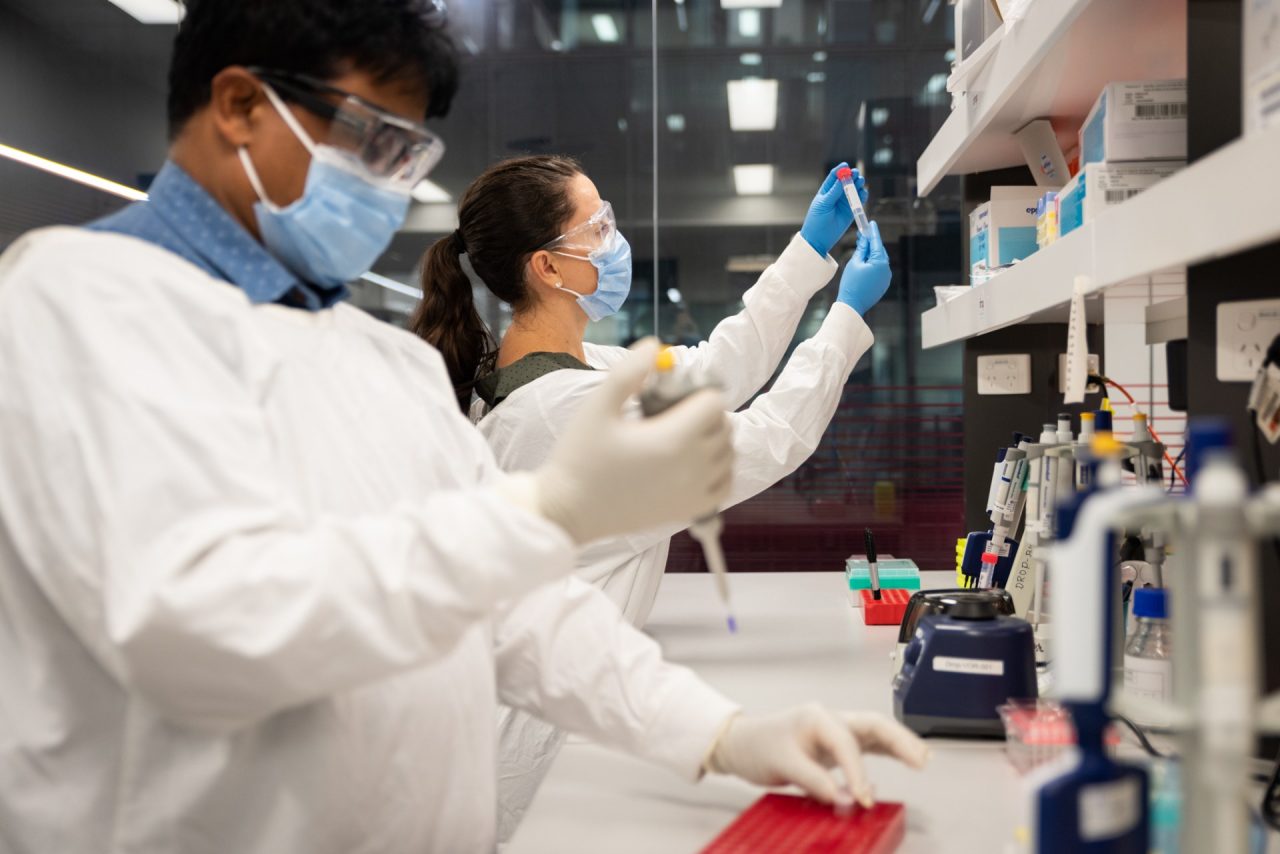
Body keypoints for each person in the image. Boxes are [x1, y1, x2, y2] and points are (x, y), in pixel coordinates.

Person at [0, 2, 926, 852]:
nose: (393, 185)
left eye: (410, 154)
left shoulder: (382, 366)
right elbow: (205, 628)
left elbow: (514, 608)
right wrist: (550, 513)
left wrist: (716, 733)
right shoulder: (82, 300)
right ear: (241, 106)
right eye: (372, 142)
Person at [411, 155, 897, 840]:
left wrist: (809, 251)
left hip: (563, 705)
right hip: (536, 744)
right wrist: (844, 317)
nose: (616, 240)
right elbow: (763, 439)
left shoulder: (547, 368)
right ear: (547, 269)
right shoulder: (565, 410)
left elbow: (711, 371)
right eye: (598, 226)